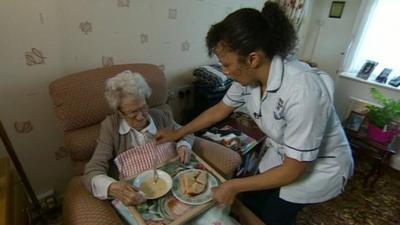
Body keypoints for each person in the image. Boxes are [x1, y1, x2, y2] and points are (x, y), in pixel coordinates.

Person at [156, 2, 354, 225]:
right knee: (249, 202)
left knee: (274, 215)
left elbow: (293, 169)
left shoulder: (302, 90)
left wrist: (232, 185)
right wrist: (178, 132)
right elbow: (220, 110)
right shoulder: (248, 78)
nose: (225, 71)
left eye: (227, 64)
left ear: (252, 58)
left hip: (320, 166)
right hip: (283, 152)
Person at [83, 70, 194, 206]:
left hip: (175, 184)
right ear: (119, 112)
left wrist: (183, 144)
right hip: (139, 197)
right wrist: (114, 188)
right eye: (132, 112)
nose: (141, 116)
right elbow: (92, 171)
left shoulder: (160, 115)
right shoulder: (110, 127)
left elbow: (186, 131)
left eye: (143, 108)